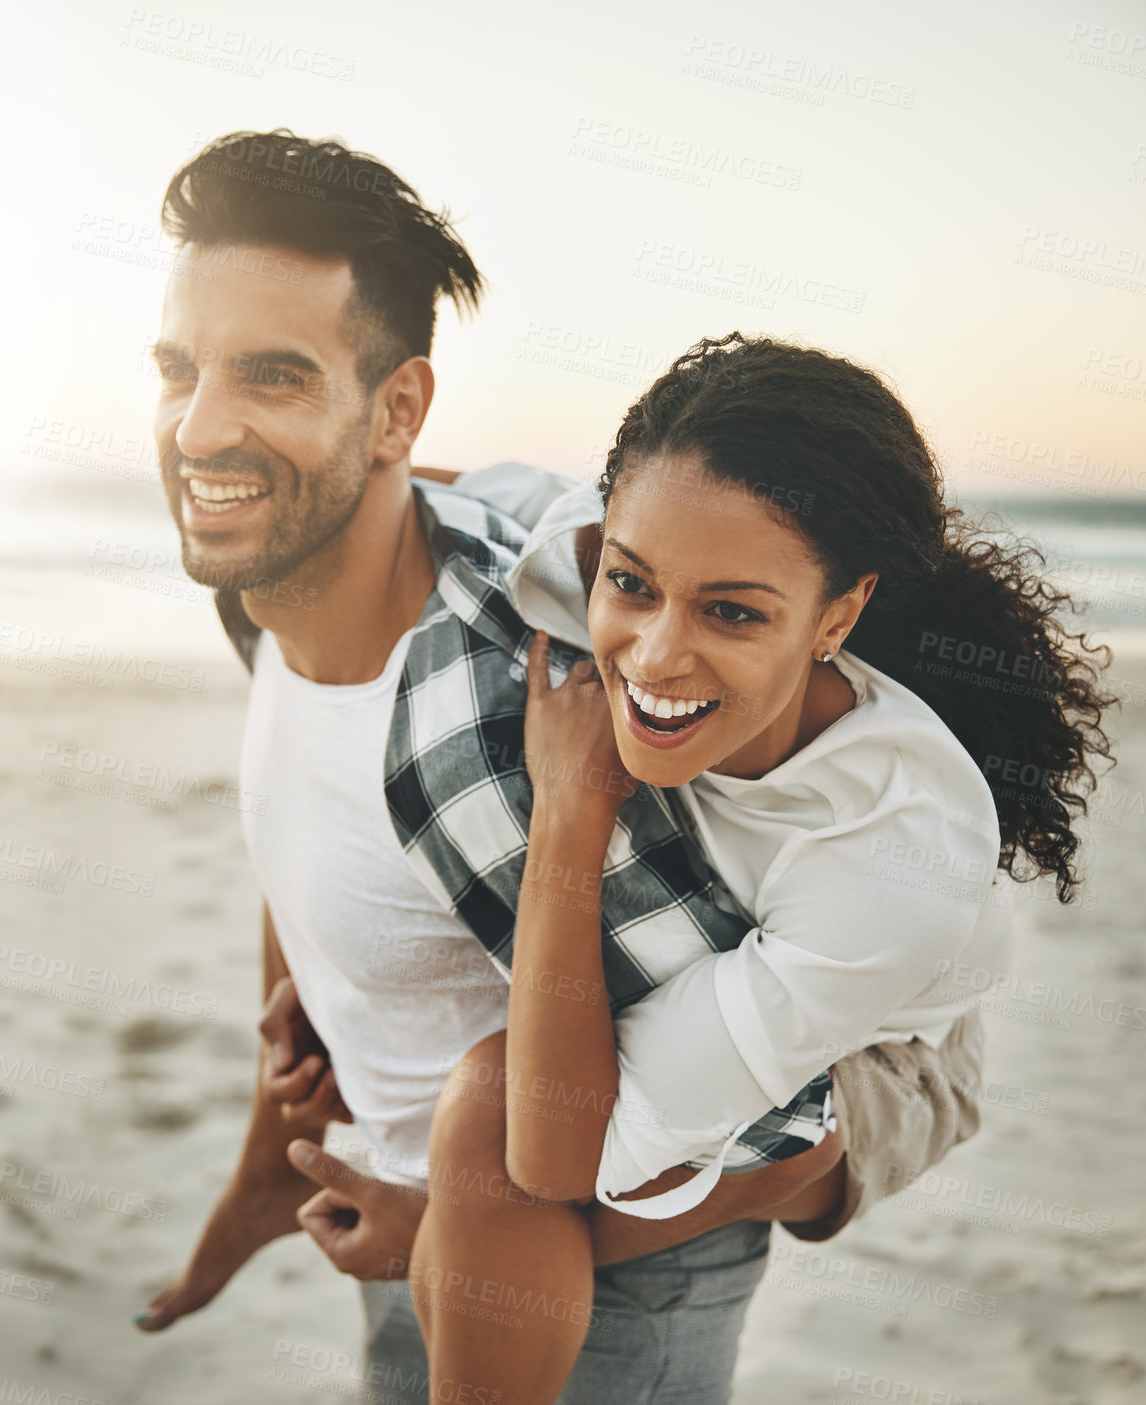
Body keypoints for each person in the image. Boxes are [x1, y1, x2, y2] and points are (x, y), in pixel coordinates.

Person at [128, 130, 962, 1403]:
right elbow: (302, 833)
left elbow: (799, 1127)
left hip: (599, 1284)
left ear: (398, 411)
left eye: (275, 377)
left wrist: (453, 1243)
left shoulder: (533, 731)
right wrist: (274, 1148)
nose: (202, 427)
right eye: (179, 369)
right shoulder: (266, 586)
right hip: (404, 1220)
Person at [403, 334, 1116, 1403]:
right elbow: (424, 495)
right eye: (630, 583)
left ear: (837, 615)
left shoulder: (891, 853)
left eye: (732, 611)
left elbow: (562, 1158)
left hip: (889, 1052)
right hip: (780, 932)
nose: (652, 657)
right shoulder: (582, 542)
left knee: (492, 1124)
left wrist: (571, 812)